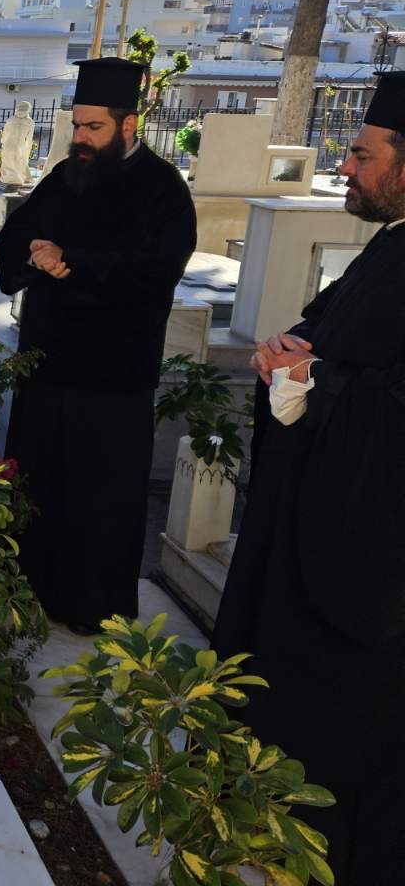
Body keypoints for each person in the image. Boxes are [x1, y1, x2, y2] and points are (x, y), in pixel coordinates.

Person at [212, 70, 405, 882]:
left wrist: (315, 380)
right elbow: (324, 335)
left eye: (361, 154)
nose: (346, 170)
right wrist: (283, 353)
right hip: (308, 532)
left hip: (369, 569)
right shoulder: (390, 246)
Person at [0, 57, 196, 633]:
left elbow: (157, 271)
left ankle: (90, 610)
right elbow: (15, 234)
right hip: (47, 369)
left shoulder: (163, 189)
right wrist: (34, 251)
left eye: (93, 128)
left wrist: (73, 264)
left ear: (128, 126)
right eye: (77, 126)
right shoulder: (66, 174)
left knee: (97, 502)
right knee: (37, 489)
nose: (79, 139)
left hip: (112, 378)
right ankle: (26, 598)